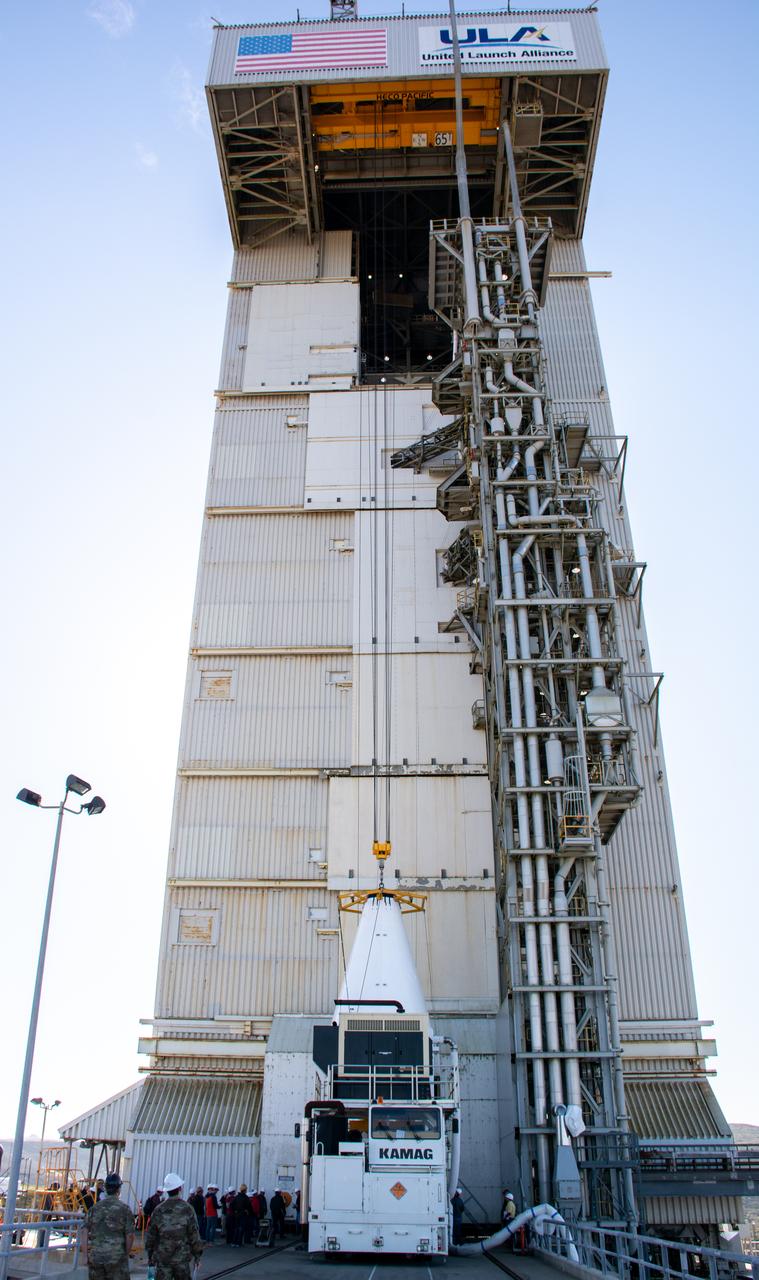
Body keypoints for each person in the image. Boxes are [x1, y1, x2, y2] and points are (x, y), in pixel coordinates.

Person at [146, 1173, 203, 1280]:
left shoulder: (158, 1210)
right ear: (180, 1188)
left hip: (163, 1260)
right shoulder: (187, 1209)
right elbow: (194, 1235)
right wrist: (197, 1257)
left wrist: (150, 1257)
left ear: (166, 1190)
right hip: (182, 1261)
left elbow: (151, 1236)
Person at [82, 1171, 135, 1280]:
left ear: (105, 1188)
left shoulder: (94, 1208)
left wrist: (85, 1256)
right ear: (119, 1189)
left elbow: (84, 1231)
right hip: (117, 1259)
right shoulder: (125, 1209)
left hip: (96, 1258)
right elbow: (130, 1236)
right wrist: (125, 1254)